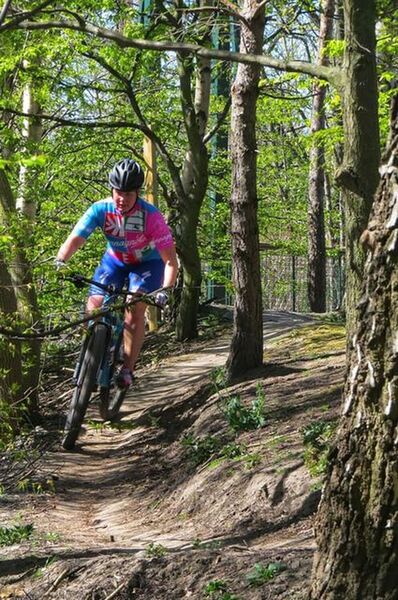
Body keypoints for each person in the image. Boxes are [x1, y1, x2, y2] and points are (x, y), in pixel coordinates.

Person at [55, 158, 178, 388]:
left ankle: (128, 369)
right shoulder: (101, 209)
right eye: (118, 192)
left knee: (134, 307)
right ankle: (95, 353)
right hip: (114, 262)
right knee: (94, 306)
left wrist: (166, 290)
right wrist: (61, 260)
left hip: (147, 266)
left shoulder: (151, 217)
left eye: (128, 194)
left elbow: (170, 261)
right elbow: (75, 239)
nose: (122, 199)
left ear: (137, 193)